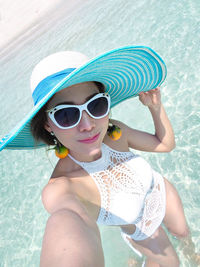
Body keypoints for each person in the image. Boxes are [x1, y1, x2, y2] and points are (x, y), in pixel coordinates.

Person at [0, 46, 194, 267]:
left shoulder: (116, 133)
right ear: (47, 124)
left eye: (96, 105)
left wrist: (155, 108)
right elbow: (68, 222)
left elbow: (165, 144)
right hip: (143, 234)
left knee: (183, 234)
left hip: (165, 194)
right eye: (66, 115)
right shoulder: (64, 187)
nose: (88, 124)